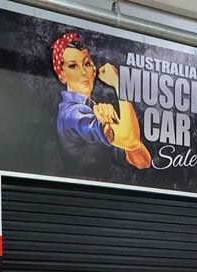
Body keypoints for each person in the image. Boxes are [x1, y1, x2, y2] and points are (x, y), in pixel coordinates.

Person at [50, 32, 151, 170]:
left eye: (86, 63)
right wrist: (117, 83)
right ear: (61, 75)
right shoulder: (72, 114)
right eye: (73, 66)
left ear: (93, 68)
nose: (83, 72)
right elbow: (131, 140)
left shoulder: (95, 109)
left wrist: (118, 128)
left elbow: (143, 161)